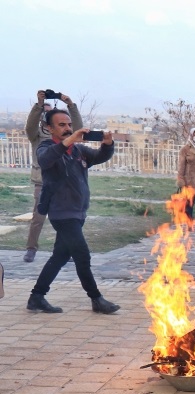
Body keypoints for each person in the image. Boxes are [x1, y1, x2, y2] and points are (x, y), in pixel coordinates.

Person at [27, 110, 121, 315]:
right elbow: (45, 160)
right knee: (82, 255)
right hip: (62, 213)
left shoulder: (78, 150)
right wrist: (68, 140)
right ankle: (96, 299)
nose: (67, 128)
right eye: (61, 125)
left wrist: (107, 144)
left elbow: (99, 156)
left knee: (60, 256)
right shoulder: (46, 147)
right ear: (50, 128)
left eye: (68, 124)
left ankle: (36, 297)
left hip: (78, 213)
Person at [24, 91, 82, 263]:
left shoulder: (67, 134)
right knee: (38, 218)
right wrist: (39, 104)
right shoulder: (37, 136)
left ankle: (67, 249)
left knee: (67, 218)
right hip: (42, 182)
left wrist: (70, 105)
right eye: (45, 113)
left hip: (64, 182)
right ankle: (31, 249)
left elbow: (77, 128)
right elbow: (30, 126)